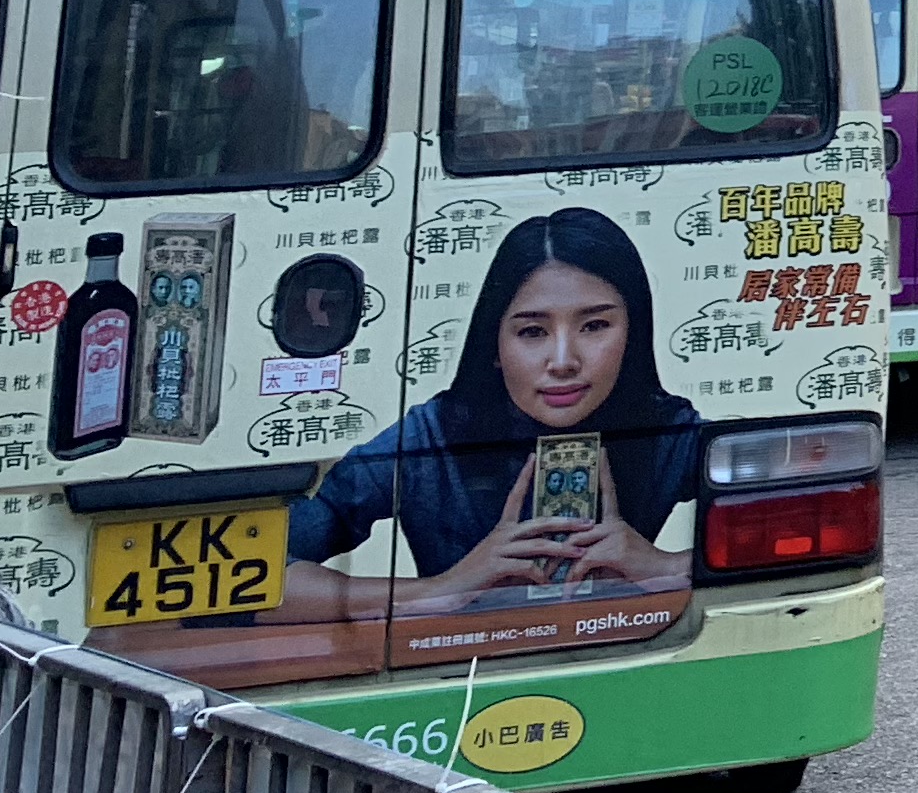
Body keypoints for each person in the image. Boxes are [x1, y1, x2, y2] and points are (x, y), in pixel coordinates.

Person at [291, 210, 704, 610]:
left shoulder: (669, 431)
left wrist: (664, 567)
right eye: (533, 331)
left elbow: (753, 542)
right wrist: (440, 589)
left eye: (594, 326)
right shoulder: (430, 436)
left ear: (633, 333)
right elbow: (268, 573)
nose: (563, 362)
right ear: (494, 345)